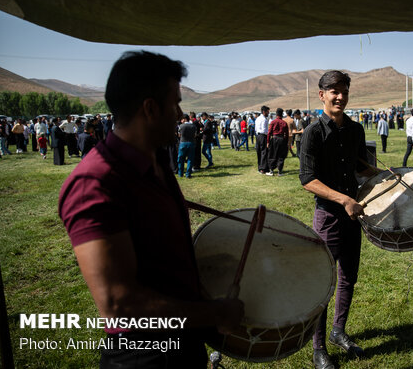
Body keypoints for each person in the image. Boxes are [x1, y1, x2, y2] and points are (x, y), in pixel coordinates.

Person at [58, 51, 243, 368]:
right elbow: (118, 303)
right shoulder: (95, 183)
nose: (181, 114)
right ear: (151, 108)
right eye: (176, 103)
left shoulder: (155, 162)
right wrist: (214, 312)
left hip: (185, 342)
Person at [299, 70, 381, 369]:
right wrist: (344, 199)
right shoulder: (313, 132)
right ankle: (318, 347)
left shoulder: (356, 130)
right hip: (329, 216)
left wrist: (390, 174)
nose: (340, 96)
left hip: (353, 215)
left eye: (344, 90)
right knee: (324, 282)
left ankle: (338, 332)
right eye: (333, 91)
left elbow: (363, 168)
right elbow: (307, 179)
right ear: (321, 95)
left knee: (349, 277)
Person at [266, 108, 289, 176]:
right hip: (281, 139)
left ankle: (271, 171)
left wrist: (268, 142)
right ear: (282, 114)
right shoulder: (284, 123)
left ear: (276, 114)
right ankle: (280, 171)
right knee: (281, 155)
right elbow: (286, 134)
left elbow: (269, 133)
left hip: (274, 139)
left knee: (272, 154)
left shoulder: (273, 122)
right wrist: (286, 142)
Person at [177, 114, 196, 178]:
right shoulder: (193, 126)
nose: (181, 120)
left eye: (182, 119)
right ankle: (188, 174)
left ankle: (180, 173)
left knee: (181, 159)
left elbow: (179, 135)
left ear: (185, 119)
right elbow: (195, 135)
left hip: (183, 143)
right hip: (191, 143)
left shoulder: (181, 126)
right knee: (190, 159)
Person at [255, 105, 270, 174]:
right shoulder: (264, 120)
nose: (268, 113)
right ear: (264, 112)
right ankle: (263, 169)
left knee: (259, 152)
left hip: (258, 136)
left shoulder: (257, 118)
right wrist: (268, 134)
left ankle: (260, 167)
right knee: (264, 152)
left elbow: (256, 128)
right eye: (267, 112)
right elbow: (264, 130)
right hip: (262, 136)